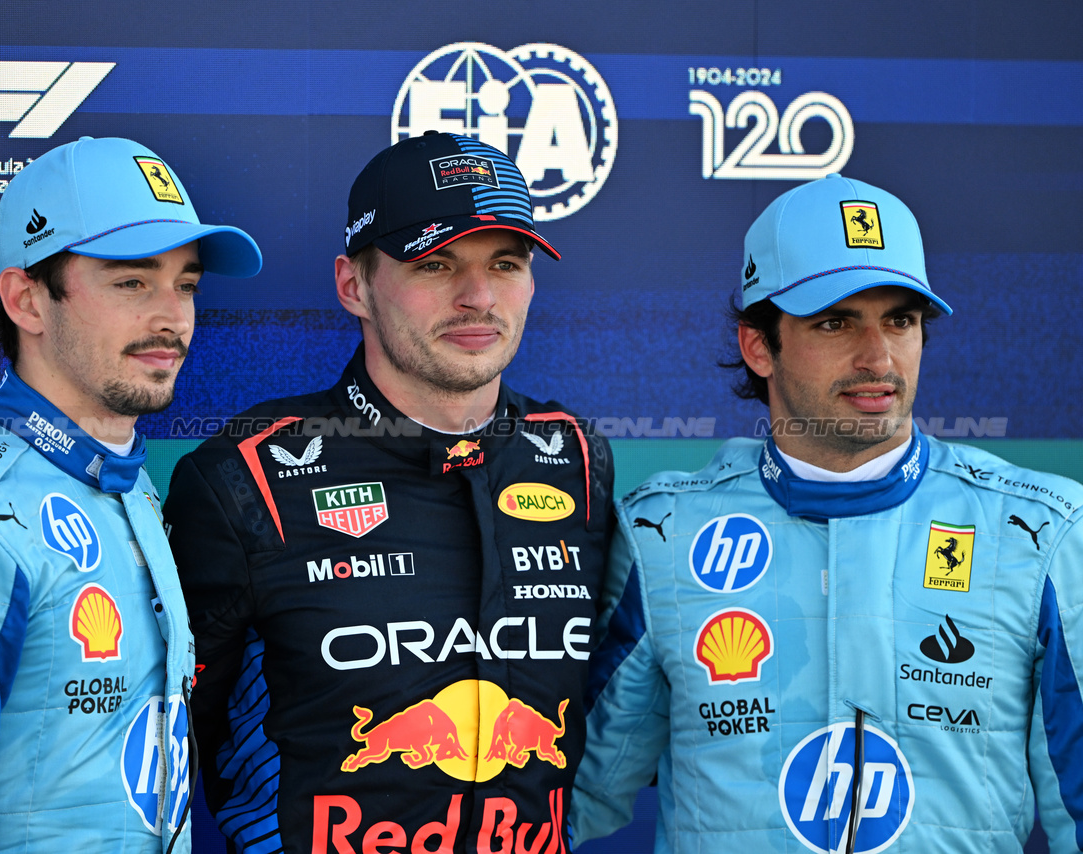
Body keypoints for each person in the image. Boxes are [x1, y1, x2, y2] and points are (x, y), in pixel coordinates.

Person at [570, 173, 1083, 852]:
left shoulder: (1041, 529)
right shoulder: (664, 534)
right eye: (836, 321)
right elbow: (567, 799)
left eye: (900, 320)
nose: (879, 357)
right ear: (759, 344)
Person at [164, 131, 615, 854]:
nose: (478, 297)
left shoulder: (575, 459)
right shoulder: (247, 477)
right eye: (436, 263)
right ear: (354, 285)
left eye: (507, 263)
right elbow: (162, 750)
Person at [0, 136, 262, 852]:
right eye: (132, 281)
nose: (172, 317)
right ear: (27, 299)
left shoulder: (124, 482)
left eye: (186, 284)